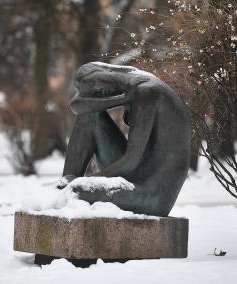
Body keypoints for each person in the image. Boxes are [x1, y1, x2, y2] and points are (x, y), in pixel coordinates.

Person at [57, 62, 190, 216]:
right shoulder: (136, 84)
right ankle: (64, 183)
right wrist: (120, 100)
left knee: (76, 191)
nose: (99, 95)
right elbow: (77, 106)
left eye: (97, 92)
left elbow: (130, 161)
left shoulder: (147, 92)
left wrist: (88, 181)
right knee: (88, 117)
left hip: (152, 193)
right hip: (136, 174)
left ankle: (66, 189)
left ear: (104, 79)